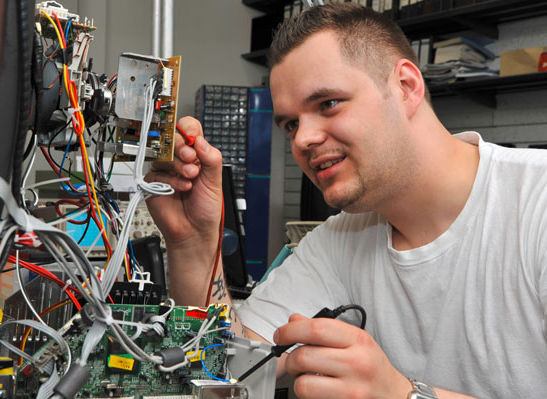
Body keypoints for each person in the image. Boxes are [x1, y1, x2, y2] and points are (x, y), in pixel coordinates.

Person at [146, 3, 547, 398]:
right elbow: (226, 371)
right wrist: (195, 245)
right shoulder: (337, 243)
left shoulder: (537, 202)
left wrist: (404, 395)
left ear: (406, 88)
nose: (302, 140)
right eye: (291, 124)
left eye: (328, 104)